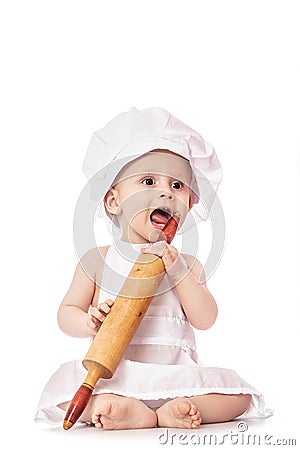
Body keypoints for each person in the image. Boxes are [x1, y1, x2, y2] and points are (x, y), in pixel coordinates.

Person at [35, 107, 272, 430]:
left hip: (176, 375)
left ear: (189, 204)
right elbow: (66, 312)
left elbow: (206, 319)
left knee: (238, 396)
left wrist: (178, 274)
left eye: (178, 186)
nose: (166, 192)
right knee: (63, 391)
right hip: (118, 374)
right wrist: (89, 321)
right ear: (113, 201)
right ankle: (128, 409)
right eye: (149, 180)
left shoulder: (186, 263)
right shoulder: (98, 260)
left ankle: (168, 411)